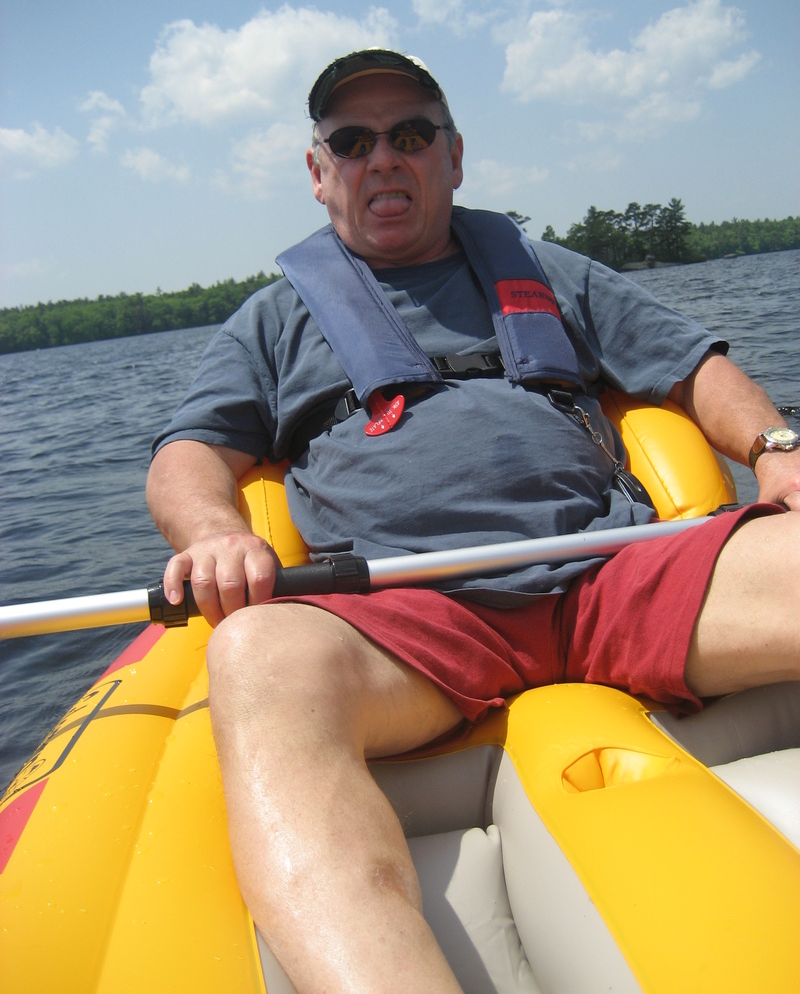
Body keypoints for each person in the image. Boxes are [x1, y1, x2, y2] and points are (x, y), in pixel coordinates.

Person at [147, 48, 800, 993]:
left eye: (410, 134)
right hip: (409, 613)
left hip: (611, 571)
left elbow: (691, 365)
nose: (383, 157)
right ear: (319, 172)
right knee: (254, 656)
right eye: (353, 142)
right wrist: (213, 531)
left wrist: (777, 449)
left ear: (453, 156)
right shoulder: (272, 321)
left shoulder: (546, 270)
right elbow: (188, 454)